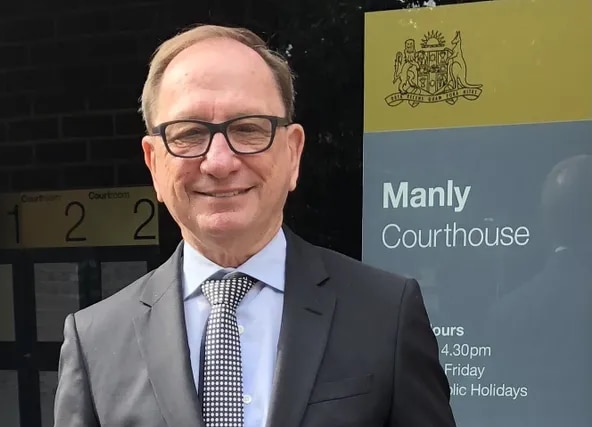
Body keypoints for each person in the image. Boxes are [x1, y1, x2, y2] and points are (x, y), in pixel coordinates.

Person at [53, 24, 456, 427]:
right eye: (190, 134)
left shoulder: (386, 314)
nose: (220, 162)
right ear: (154, 163)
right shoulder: (95, 341)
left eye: (247, 129)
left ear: (293, 153)